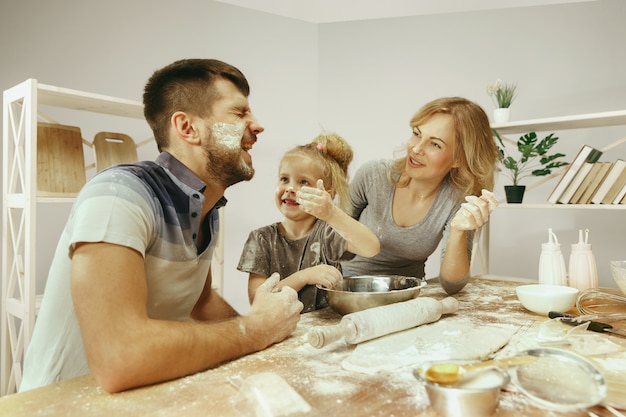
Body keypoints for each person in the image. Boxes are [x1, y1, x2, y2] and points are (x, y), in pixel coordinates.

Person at [20, 59, 303, 394]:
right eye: (239, 113)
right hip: (59, 406)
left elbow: (201, 304)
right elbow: (119, 357)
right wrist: (253, 331)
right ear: (187, 127)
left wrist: (272, 332)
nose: (257, 126)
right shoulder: (119, 195)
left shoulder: (206, 209)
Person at [341, 97, 499, 295]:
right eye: (417, 134)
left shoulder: (458, 200)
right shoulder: (373, 175)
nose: (416, 149)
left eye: (435, 144)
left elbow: (452, 285)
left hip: (407, 293)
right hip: (346, 287)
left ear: (458, 159)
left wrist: (458, 230)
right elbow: (329, 239)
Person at [238, 133, 380, 312]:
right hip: (277, 331)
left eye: (303, 182)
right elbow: (258, 300)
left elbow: (371, 247)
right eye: (284, 179)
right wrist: (304, 277)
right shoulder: (261, 239)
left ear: (327, 194)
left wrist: (331, 213)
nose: (290, 188)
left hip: (324, 329)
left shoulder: (327, 234)